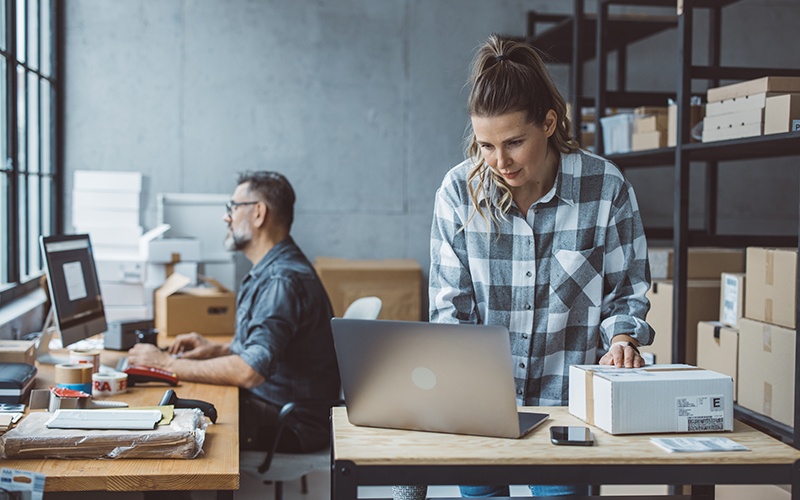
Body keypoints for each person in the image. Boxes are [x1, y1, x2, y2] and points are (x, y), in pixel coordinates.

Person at [427, 35, 655, 497]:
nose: (499, 162)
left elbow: (626, 291)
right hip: (481, 409)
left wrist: (624, 338)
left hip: (568, 410)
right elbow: (450, 308)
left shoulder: (604, 188)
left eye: (514, 143)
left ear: (549, 123)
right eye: (486, 145)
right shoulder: (458, 192)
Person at [129, 171, 341, 456]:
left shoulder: (281, 280)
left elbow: (249, 371)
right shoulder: (276, 270)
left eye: (232, 207)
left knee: (169, 420)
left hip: (291, 424)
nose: (225, 217)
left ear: (258, 213)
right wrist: (217, 348)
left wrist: (166, 363)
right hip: (281, 406)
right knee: (176, 400)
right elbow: (274, 349)